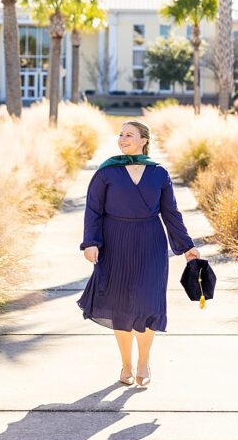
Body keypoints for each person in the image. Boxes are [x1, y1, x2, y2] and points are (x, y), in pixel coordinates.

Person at [76, 120, 200, 387]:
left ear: (144, 139)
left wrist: (187, 247)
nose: (122, 139)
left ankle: (144, 361)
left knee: (148, 303)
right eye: (120, 135)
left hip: (150, 243)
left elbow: (171, 213)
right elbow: (93, 210)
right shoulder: (107, 172)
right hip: (114, 242)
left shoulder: (159, 173)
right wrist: (91, 242)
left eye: (129, 135)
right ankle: (126, 364)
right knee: (120, 305)